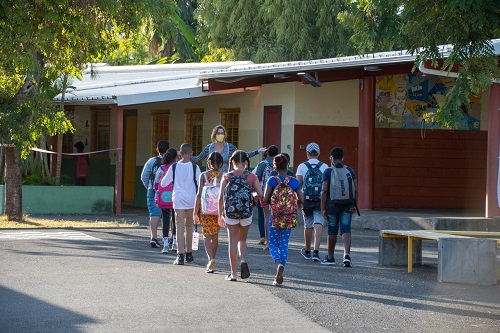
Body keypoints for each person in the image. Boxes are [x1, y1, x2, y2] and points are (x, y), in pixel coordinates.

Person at [218, 150, 263, 281]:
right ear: (245, 162)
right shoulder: (251, 176)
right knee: (242, 240)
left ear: (232, 162)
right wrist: (253, 195)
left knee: (232, 241)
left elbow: (221, 197)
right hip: (246, 212)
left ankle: (233, 274)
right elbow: (260, 194)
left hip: (230, 213)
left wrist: (220, 214)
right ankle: (243, 259)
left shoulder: (227, 176)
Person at [263, 154, 303, 286]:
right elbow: (301, 199)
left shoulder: (272, 180)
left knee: (273, 243)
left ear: (275, 166)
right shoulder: (294, 182)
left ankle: (278, 263)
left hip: (275, 216)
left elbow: (265, 199)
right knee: (284, 244)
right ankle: (282, 268)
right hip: (288, 217)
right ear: (288, 165)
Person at [161, 143, 201, 265]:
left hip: (178, 199)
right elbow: (200, 184)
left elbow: (163, 183)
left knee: (179, 227)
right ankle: (189, 254)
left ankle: (180, 255)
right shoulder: (195, 168)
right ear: (191, 153)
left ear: (180, 153)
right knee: (189, 226)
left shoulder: (174, 167)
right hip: (191, 199)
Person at [320, 147, 357, 267]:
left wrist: (323, 208)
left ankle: (330, 257)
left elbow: (325, 190)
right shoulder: (350, 171)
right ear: (342, 158)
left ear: (331, 158)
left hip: (332, 205)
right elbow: (355, 189)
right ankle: (347, 255)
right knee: (346, 229)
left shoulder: (328, 172)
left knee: (332, 231)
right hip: (347, 204)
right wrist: (355, 205)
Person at [296, 142, 328, 261]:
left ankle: (307, 250)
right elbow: (326, 186)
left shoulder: (302, 166)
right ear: (319, 153)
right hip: (320, 199)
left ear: (307, 153)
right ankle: (316, 251)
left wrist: (298, 200)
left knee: (308, 225)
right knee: (318, 223)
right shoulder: (325, 166)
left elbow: (298, 184)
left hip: (307, 200)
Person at [191, 125, 266, 173]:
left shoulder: (230, 147)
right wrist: (185, 155)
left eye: (222, 133)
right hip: (211, 180)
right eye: (218, 133)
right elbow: (198, 159)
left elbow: (242, 155)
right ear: (214, 135)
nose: (220, 135)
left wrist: (257, 151)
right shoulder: (209, 148)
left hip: (225, 179)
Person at [194, 152, 224, 273]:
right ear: (221, 163)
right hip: (218, 209)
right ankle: (214, 258)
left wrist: (195, 212)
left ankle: (210, 259)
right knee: (215, 234)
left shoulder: (203, 176)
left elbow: (198, 195)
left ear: (209, 163)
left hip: (205, 209)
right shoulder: (223, 176)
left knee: (206, 235)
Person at [141, 140, 169, 248]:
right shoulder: (171, 163)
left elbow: (144, 176)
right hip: (167, 192)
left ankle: (153, 237)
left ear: (157, 149)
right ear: (168, 150)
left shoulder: (151, 161)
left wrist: (149, 187)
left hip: (153, 191)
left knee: (154, 213)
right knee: (168, 214)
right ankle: (168, 238)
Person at [253, 145, 279, 249]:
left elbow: (257, 178)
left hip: (264, 194)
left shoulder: (262, 164)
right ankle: (277, 242)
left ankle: (268, 242)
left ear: (267, 153)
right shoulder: (279, 163)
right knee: (277, 217)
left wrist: (255, 193)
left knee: (266, 217)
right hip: (278, 194)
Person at [154, 148, 178, 254]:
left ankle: (165, 245)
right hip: (175, 197)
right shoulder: (177, 167)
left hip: (164, 198)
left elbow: (156, 184)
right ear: (175, 157)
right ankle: (175, 243)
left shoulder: (161, 168)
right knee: (175, 220)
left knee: (165, 221)